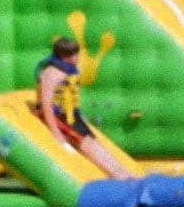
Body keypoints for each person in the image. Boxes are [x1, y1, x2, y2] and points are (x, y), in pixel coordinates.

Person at [34, 36, 137, 179]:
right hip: (59, 117)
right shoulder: (51, 73)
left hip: (71, 115)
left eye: (77, 53)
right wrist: (55, 131)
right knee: (88, 145)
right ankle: (120, 176)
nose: (76, 58)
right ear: (63, 56)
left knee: (93, 142)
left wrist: (79, 116)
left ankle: (124, 173)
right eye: (72, 55)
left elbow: (71, 96)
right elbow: (46, 103)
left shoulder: (68, 70)